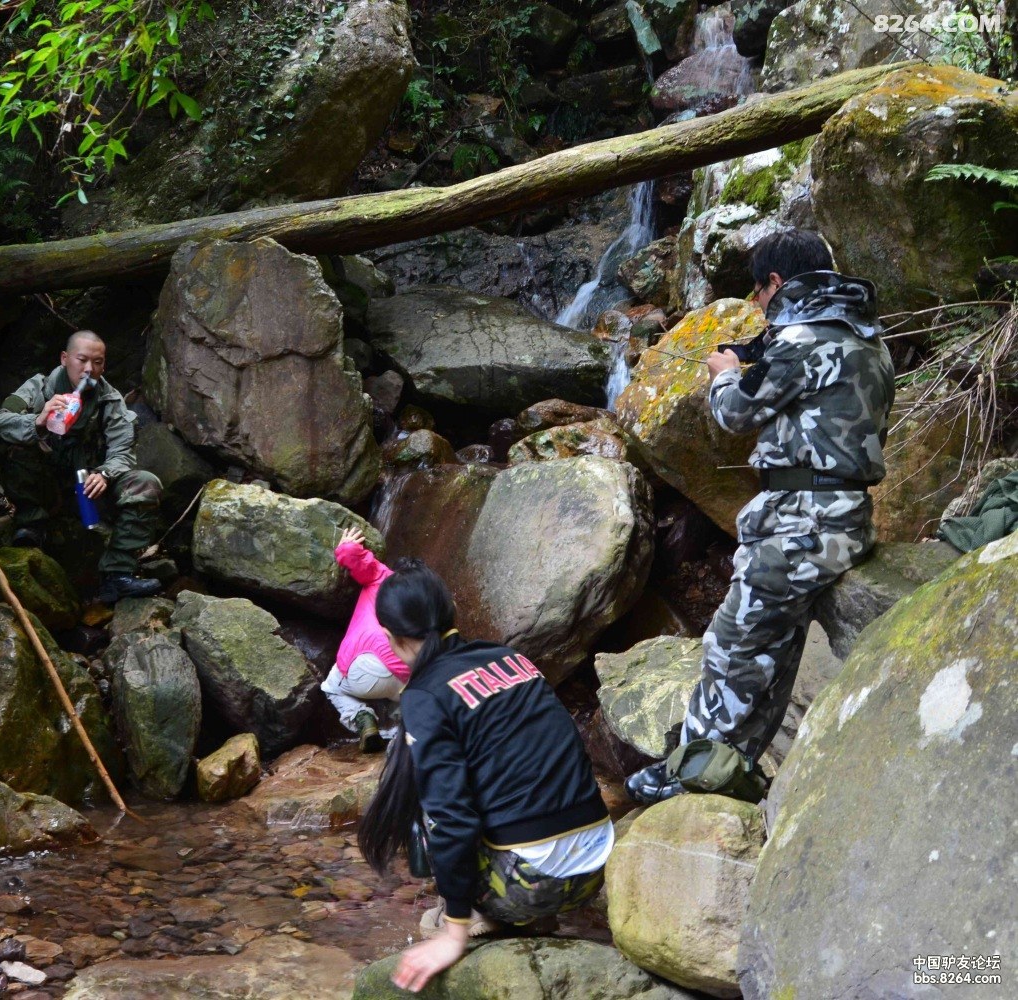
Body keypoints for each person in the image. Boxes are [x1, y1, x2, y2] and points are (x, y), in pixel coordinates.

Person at [626, 229, 895, 804]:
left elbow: (734, 414)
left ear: (775, 283)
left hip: (803, 524)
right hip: (841, 514)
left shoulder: (799, 338)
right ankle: (731, 770)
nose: (757, 303)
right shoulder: (865, 336)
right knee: (776, 651)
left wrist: (724, 372)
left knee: (732, 645)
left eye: (758, 290)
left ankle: (685, 770)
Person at [358, 559, 613, 994]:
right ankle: (527, 911)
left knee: (424, 798)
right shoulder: (509, 657)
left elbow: (452, 818)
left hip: (532, 880)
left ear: (390, 638)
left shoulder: (424, 697)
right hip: (596, 866)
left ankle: (480, 914)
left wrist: (454, 928)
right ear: (452, 611)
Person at [0, 330, 164, 603]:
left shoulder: (110, 400)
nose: (88, 369)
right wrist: (37, 420)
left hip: (88, 488)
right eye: (81, 360)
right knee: (13, 448)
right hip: (44, 486)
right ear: (64, 358)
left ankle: (117, 575)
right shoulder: (39, 387)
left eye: (97, 363)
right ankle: (32, 525)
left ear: (103, 365)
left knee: (145, 482)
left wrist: (105, 474)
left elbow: (123, 451)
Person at [322, 525, 407, 753]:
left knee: (332, 687)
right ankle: (403, 725)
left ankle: (361, 717)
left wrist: (346, 544)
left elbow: (350, 555)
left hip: (367, 667)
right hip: (410, 677)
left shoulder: (383, 577)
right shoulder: (422, 595)